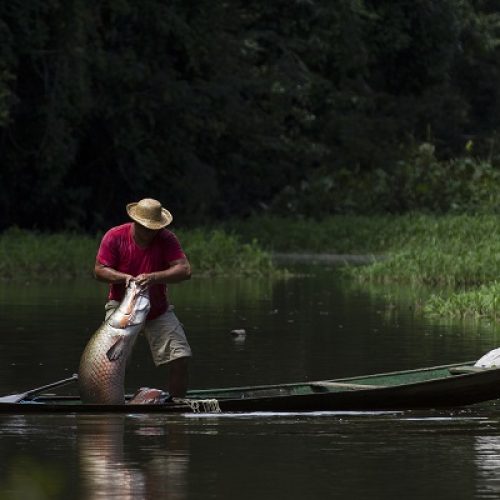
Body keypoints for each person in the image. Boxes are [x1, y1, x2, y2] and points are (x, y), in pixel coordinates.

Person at [94, 197, 192, 398]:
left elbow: (184, 270)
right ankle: (107, 403)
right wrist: (125, 279)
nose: (150, 232)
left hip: (157, 309)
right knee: (109, 362)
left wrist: (155, 277)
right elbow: (99, 270)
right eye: (145, 228)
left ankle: (177, 407)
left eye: (154, 228)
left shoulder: (167, 239)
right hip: (121, 308)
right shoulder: (115, 236)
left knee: (180, 357)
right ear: (136, 222)